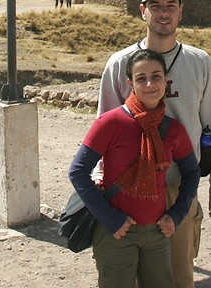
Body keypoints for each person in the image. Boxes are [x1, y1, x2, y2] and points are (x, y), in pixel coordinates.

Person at [98, 0, 211, 288]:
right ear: (142, 11)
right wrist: (101, 184)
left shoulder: (199, 62)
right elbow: (104, 126)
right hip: (128, 185)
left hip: (178, 185)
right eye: (155, 6)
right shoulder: (120, 64)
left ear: (181, 11)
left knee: (178, 275)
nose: (163, 13)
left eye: (171, 6)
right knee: (125, 273)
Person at [71, 49, 199, 288]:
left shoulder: (173, 130)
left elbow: (192, 173)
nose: (150, 84)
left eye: (156, 76)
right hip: (116, 233)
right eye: (141, 78)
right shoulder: (110, 123)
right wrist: (110, 218)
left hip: (156, 234)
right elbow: (78, 172)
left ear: (166, 80)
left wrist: (177, 214)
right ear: (130, 83)